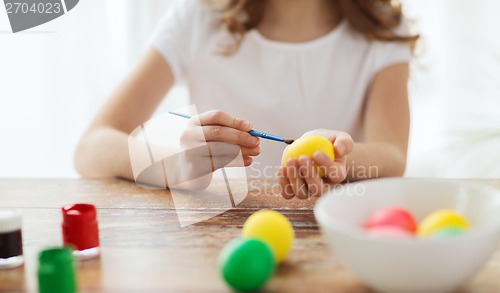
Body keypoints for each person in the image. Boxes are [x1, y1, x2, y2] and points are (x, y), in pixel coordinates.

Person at [74, 0, 418, 199]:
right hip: (216, 239)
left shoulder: (383, 31)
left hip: (333, 236)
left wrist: (341, 158)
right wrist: (177, 164)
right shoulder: (197, 19)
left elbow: (392, 155)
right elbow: (91, 148)